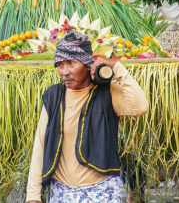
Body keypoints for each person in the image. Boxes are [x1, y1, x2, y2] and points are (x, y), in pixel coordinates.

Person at [26, 29, 149, 203]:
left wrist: (115, 66)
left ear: (87, 65)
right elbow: (40, 146)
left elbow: (140, 107)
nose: (65, 72)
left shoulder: (108, 92)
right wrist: (33, 196)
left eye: (71, 63)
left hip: (102, 192)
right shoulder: (53, 96)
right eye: (60, 65)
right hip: (61, 192)